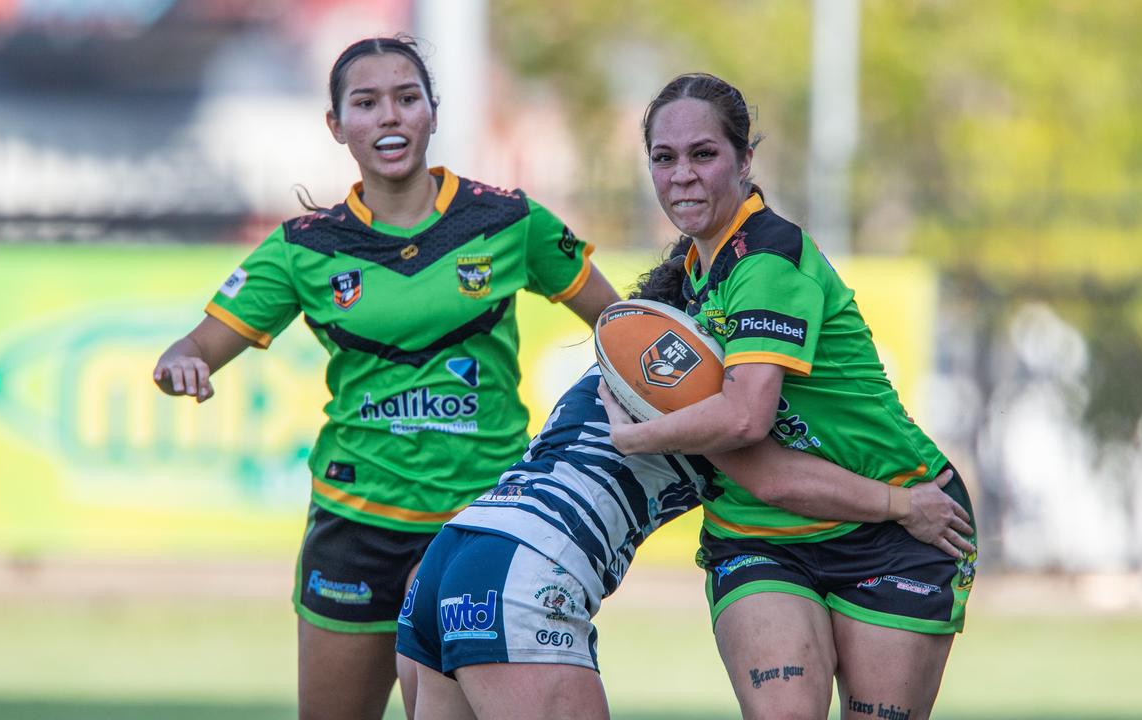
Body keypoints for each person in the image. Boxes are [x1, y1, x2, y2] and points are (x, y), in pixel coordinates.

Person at [151, 36, 619, 720]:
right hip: (356, 519)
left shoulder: (511, 222)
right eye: (365, 103)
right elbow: (193, 348)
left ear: (433, 112)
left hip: (482, 519)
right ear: (337, 125)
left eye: (406, 98)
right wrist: (180, 364)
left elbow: (622, 325)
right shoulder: (304, 247)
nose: (389, 117)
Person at [394, 243, 974, 719]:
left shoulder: (617, 369)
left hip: (453, 557)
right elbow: (773, 479)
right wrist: (901, 504)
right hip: (525, 574)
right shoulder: (687, 386)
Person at [602, 73, 978, 720]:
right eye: (664, 158)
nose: (681, 175)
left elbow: (746, 419)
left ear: (746, 161)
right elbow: (766, 475)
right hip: (761, 536)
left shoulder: (767, 260)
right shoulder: (691, 278)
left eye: (704, 154)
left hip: (904, 521)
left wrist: (638, 435)